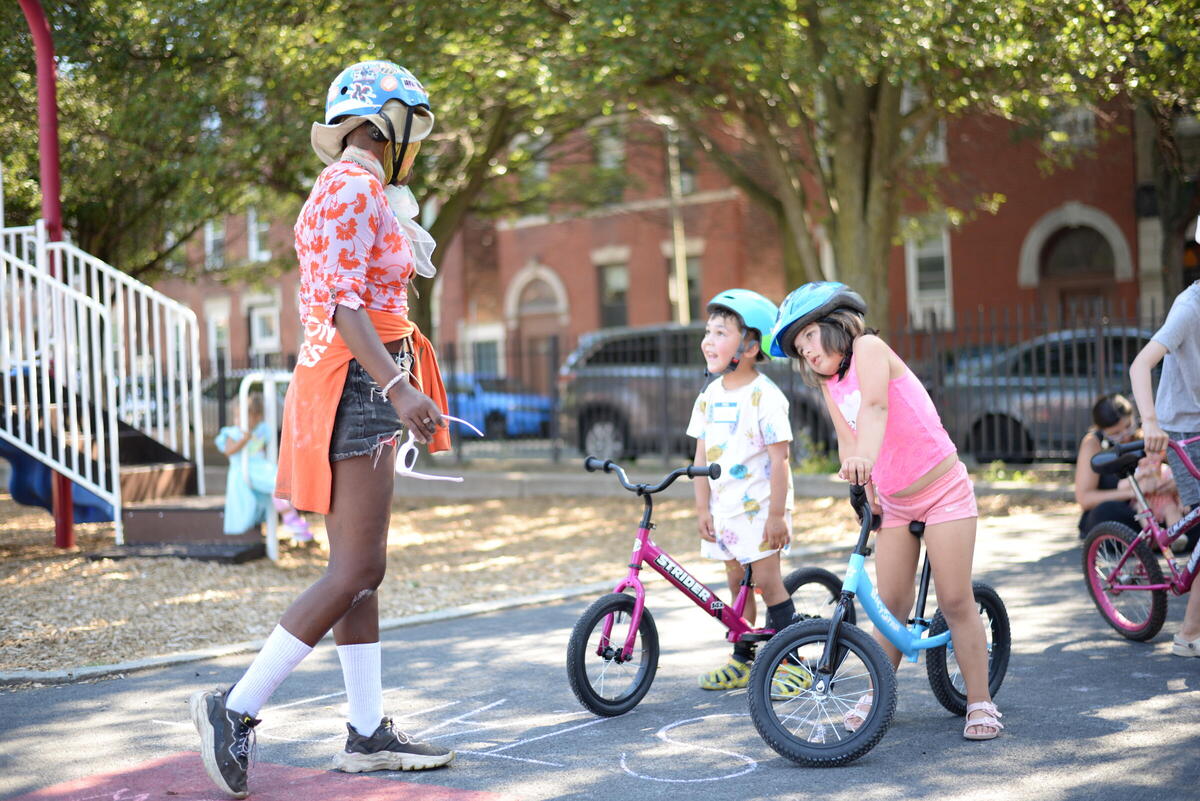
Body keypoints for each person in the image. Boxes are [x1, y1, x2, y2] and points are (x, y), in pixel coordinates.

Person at [191, 60, 454, 799]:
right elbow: (344, 306)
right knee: (355, 571)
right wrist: (399, 385)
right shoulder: (347, 186)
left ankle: (366, 733)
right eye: (414, 128)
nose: (419, 144)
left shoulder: (364, 188)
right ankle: (235, 708)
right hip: (358, 381)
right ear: (388, 123)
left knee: (361, 570)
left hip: (355, 379)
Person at [768, 281, 1002, 741]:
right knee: (890, 608)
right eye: (800, 349)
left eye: (810, 337)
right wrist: (865, 485)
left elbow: (875, 406)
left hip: (942, 490)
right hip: (895, 500)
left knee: (955, 599)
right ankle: (877, 697)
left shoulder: (870, 348)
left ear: (835, 324)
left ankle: (980, 700)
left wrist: (866, 459)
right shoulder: (830, 384)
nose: (808, 354)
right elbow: (847, 438)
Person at [688, 289, 805, 694]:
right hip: (725, 511)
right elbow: (700, 455)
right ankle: (743, 658)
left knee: (769, 584)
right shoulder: (708, 396)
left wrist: (777, 515)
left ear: (751, 345)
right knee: (737, 587)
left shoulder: (766, 396)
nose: (708, 340)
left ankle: (793, 664)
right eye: (708, 331)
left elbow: (780, 461)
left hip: (759, 511)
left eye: (721, 332)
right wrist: (702, 507)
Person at [1130, 279, 1200, 657]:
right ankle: (1189, 634)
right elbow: (1141, 364)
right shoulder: (1190, 307)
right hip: (1184, 428)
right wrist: (1150, 422)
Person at [216, 393, 312, 542]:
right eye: (237, 417)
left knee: (279, 484)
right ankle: (289, 518)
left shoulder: (261, 430)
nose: (239, 421)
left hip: (261, 467)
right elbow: (229, 451)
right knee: (274, 485)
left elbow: (266, 447)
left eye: (246, 418)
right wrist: (243, 439)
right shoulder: (233, 433)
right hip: (244, 469)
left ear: (257, 417)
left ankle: (291, 519)